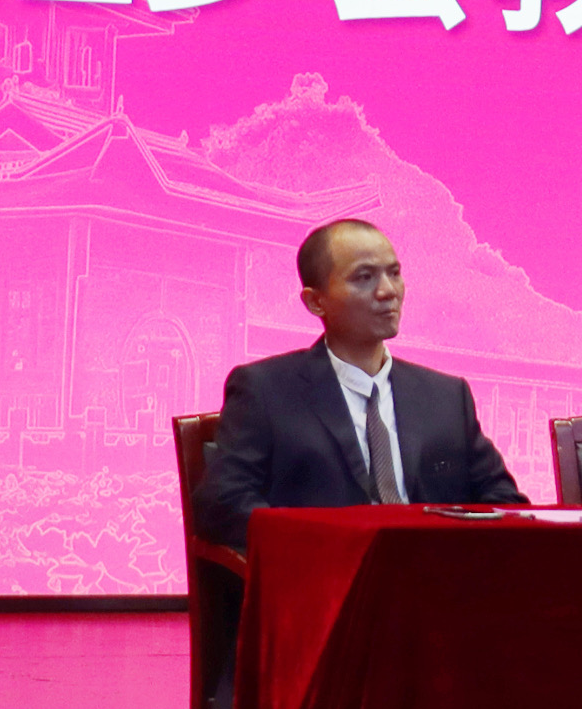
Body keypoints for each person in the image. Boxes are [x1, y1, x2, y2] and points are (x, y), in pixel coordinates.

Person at [198, 218, 524, 549]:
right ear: (315, 302)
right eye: (364, 278)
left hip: (437, 570)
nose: (388, 291)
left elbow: (505, 501)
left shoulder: (446, 397)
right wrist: (320, 545)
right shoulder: (266, 390)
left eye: (394, 273)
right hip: (328, 569)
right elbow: (223, 502)